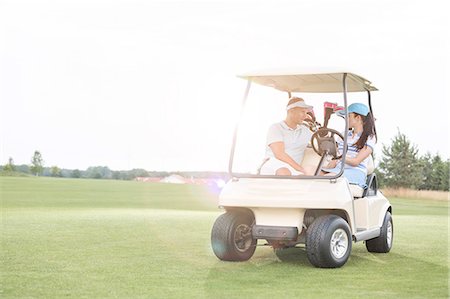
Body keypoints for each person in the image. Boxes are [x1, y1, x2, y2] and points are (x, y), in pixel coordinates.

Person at [322, 102, 376, 188]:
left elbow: (355, 162)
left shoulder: (370, 138)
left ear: (358, 118)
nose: (346, 119)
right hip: (339, 170)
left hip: (355, 172)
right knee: (310, 171)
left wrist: (338, 157)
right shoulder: (344, 134)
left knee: (327, 178)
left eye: (348, 116)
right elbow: (335, 159)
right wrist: (326, 168)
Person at [259, 97, 314, 176]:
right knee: (284, 172)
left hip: (293, 169)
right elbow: (279, 154)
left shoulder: (305, 130)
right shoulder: (276, 128)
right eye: (302, 112)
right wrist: (300, 169)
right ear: (291, 111)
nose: (305, 116)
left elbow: (320, 141)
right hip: (274, 165)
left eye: (306, 113)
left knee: (308, 174)